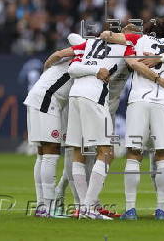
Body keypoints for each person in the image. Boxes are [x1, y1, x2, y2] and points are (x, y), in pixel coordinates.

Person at [100, 16, 164, 220]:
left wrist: (116, 34)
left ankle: (130, 209)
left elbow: (108, 36)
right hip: (162, 104)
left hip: (138, 103)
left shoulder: (138, 40)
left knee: (134, 155)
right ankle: (162, 209)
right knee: (163, 156)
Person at [65, 34, 129, 220]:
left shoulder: (91, 43)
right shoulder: (127, 48)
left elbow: (73, 67)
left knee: (79, 151)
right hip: (94, 96)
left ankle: (84, 207)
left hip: (75, 95)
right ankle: (88, 207)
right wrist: (97, 71)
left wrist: (91, 68)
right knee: (107, 152)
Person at [24, 34, 82, 217]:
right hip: (47, 101)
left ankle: (42, 206)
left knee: (42, 154)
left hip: (36, 98)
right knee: (50, 152)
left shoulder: (67, 59)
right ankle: (48, 207)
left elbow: (70, 39)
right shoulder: (79, 63)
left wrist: (49, 61)